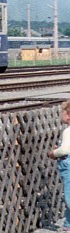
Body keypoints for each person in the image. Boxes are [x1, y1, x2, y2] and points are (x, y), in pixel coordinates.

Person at [47, 99, 70, 231]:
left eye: (62, 112)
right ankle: (68, 224)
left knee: (69, 196)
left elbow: (65, 150)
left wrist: (53, 153)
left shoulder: (68, 131)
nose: (60, 115)